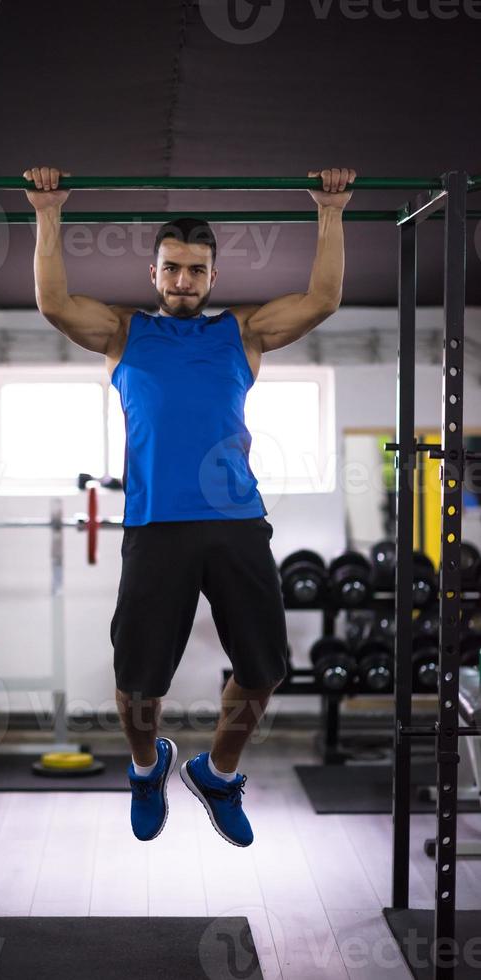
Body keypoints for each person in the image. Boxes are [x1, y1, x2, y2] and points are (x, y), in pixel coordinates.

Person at [25, 165, 356, 846]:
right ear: (154, 273)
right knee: (138, 686)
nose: (183, 281)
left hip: (236, 522)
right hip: (156, 527)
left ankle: (218, 773)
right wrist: (48, 212)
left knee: (263, 672)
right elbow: (55, 303)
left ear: (212, 277)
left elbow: (322, 299)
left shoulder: (244, 333)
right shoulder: (124, 333)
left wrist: (329, 210)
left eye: (196, 271)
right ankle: (148, 767)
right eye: (172, 269)